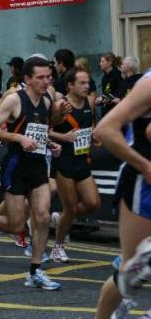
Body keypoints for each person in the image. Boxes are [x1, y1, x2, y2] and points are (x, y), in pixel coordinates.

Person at [0, 56, 69, 290]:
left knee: (41, 216)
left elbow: (43, 128)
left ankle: (35, 271)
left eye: (48, 77)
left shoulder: (48, 98)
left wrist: (50, 140)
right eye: (40, 78)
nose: (45, 82)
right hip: (16, 165)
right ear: (27, 79)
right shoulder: (13, 100)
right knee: (16, 224)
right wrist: (18, 137)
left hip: (38, 164)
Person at [78, 69, 151, 319]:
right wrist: (146, 166)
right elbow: (105, 130)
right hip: (143, 185)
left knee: (139, 264)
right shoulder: (149, 84)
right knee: (131, 264)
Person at [49, 68, 100, 263]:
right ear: (70, 85)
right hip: (64, 161)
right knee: (70, 208)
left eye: (88, 82)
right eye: (82, 83)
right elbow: (46, 130)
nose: (87, 86)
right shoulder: (61, 105)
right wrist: (64, 137)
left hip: (82, 160)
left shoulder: (89, 103)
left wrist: (94, 136)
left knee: (93, 203)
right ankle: (58, 247)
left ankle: (61, 219)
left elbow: (90, 125)